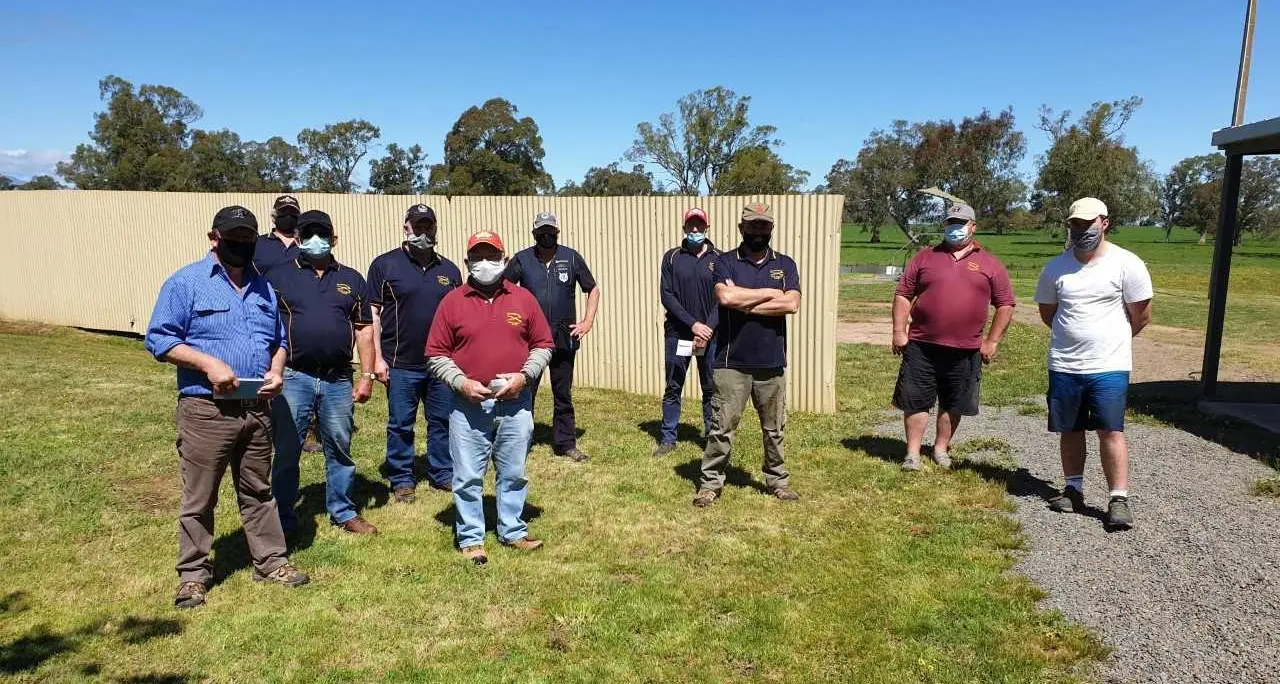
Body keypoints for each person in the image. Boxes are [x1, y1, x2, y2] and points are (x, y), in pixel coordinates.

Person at [144, 205, 309, 610]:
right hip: (207, 410)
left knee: (259, 490)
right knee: (200, 497)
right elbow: (159, 339)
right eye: (232, 238)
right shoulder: (186, 283)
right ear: (213, 238)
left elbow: (279, 340)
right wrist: (207, 363)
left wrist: (276, 369)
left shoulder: (263, 287)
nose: (240, 245)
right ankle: (193, 575)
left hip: (257, 409)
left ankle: (270, 562)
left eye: (247, 238)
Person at [427, 230, 554, 565]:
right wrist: (460, 383)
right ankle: (471, 538)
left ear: (505, 258)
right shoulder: (452, 302)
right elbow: (436, 354)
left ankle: (512, 530)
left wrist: (524, 377)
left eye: (492, 256)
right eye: (478, 257)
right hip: (468, 405)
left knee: (513, 472)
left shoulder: (523, 299)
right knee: (468, 475)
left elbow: (544, 345)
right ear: (467, 261)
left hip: (515, 403)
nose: (485, 263)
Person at [1034, 197, 1152, 530]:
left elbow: (1140, 315)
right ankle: (1073, 489)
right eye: (1076, 224)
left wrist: (1109, 341)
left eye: (1089, 223)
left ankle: (1118, 499)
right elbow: (1049, 314)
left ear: (1105, 223)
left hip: (1109, 365)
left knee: (1110, 430)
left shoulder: (1127, 264)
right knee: (1069, 429)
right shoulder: (1055, 268)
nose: (1082, 230)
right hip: (1065, 364)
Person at [268, 210, 379, 536]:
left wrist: (367, 376)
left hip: (337, 379)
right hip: (294, 377)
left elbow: (364, 330)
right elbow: (265, 327)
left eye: (323, 234)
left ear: (334, 239)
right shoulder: (277, 277)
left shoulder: (352, 278)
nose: (316, 240)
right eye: (309, 234)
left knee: (340, 446)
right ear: (299, 239)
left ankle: (343, 510)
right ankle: (283, 515)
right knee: (288, 449)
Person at [891, 203, 1015, 471]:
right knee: (915, 399)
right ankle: (912, 454)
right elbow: (903, 295)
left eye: (960, 223)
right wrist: (899, 331)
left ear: (973, 227)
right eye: (950, 223)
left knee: (954, 402)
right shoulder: (925, 257)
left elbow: (1005, 304)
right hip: (922, 345)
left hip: (966, 348)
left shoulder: (990, 263)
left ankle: (940, 449)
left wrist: (992, 341)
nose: (954, 228)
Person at [694, 203, 802, 507]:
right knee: (722, 427)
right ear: (741, 229)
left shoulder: (786, 264)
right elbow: (725, 297)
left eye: (763, 226)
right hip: (731, 363)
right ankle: (710, 484)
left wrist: (744, 301)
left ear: (771, 229)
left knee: (774, 429)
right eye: (752, 226)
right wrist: (771, 293)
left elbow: (792, 304)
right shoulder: (726, 261)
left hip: (771, 362)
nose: (758, 231)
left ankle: (777, 481)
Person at [366, 204, 462, 503]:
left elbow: (459, 316)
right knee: (400, 424)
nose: (422, 232)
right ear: (405, 227)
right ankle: (402, 478)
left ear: (435, 228)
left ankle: (442, 473)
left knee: (442, 421)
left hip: (441, 363)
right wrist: (377, 359)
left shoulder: (450, 270)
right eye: (417, 226)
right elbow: (373, 314)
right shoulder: (384, 265)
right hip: (400, 362)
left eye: (428, 226)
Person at [504, 212, 601, 462]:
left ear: (557, 233)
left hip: (563, 338)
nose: (546, 236)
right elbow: (503, 290)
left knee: (563, 393)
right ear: (534, 233)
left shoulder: (570, 257)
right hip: (530, 340)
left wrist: (587, 322)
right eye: (542, 232)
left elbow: (593, 289)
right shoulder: (521, 260)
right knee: (526, 390)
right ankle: (520, 440)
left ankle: (565, 443)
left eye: (551, 232)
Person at [654, 207, 719, 457]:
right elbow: (667, 296)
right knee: (673, 386)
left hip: (710, 337)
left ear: (706, 227)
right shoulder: (671, 257)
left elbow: (722, 298)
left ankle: (711, 436)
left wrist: (708, 328)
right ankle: (668, 438)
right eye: (690, 225)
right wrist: (693, 325)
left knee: (711, 387)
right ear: (684, 228)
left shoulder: (719, 259)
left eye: (699, 225)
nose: (695, 230)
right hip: (678, 335)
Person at [253, 195, 302, 274]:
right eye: (283, 212)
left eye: (292, 212)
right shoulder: (257, 243)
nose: (288, 215)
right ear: (274, 216)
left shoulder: (306, 244)